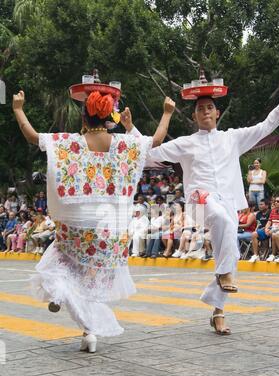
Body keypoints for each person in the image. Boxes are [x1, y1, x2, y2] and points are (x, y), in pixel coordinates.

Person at [13, 87, 175, 352]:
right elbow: (156, 140)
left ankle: (60, 292)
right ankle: (89, 333)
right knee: (90, 283)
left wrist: (18, 109)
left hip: (75, 224)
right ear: (108, 118)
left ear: (84, 118)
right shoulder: (124, 144)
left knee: (59, 262)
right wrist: (167, 113)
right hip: (109, 230)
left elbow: (32, 137)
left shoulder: (69, 142)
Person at [124, 85, 279, 334]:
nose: (205, 111)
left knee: (232, 253)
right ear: (194, 117)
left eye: (209, 107)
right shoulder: (185, 143)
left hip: (226, 203)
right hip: (199, 202)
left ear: (217, 113)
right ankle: (223, 274)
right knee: (220, 218)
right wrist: (130, 129)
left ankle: (218, 312)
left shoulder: (232, 138)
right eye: (200, 108)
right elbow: (149, 155)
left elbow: (264, 126)